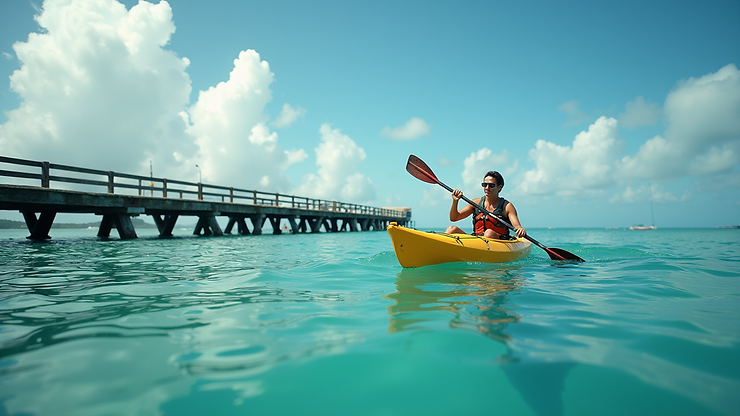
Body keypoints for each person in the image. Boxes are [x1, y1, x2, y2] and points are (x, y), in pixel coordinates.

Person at [445, 171, 527, 239]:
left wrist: (520, 230)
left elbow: (517, 226)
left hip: (499, 241)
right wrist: (455, 201)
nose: (487, 188)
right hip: (477, 239)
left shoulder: (507, 206)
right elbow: (454, 218)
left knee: (488, 233)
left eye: (491, 185)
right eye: (485, 185)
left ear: (500, 187)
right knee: (451, 229)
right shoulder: (476, 203)